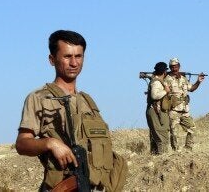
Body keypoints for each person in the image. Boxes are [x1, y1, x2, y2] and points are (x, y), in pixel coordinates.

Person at [15, 30, 127, 191]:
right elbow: (22, 144)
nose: (74, 63)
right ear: (52, 60)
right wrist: (50, 143)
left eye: (78, 56)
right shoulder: (39, 98)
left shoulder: (87, 101)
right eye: (67, 56)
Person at [165, 57, 205, 151]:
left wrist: (198, 81)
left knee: (192, 128)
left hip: (185, 110)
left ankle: (188, 148)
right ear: (170, 68)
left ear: (179, 66)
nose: (174, 69)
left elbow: (191, 89)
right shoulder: (167, 79)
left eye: (176, 66)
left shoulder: (184, 78)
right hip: (173, 110)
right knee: (174, 133)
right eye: (172, 67)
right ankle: (176, 151)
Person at [146, 62, 171, 155]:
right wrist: (166, 91)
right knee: (161, 134)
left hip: (158, 110)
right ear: (164, 72)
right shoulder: (156, 82)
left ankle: (157, 155)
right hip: (156, 110)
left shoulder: (157, 81)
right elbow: (154, 96)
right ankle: (162, 157)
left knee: (159, 133)